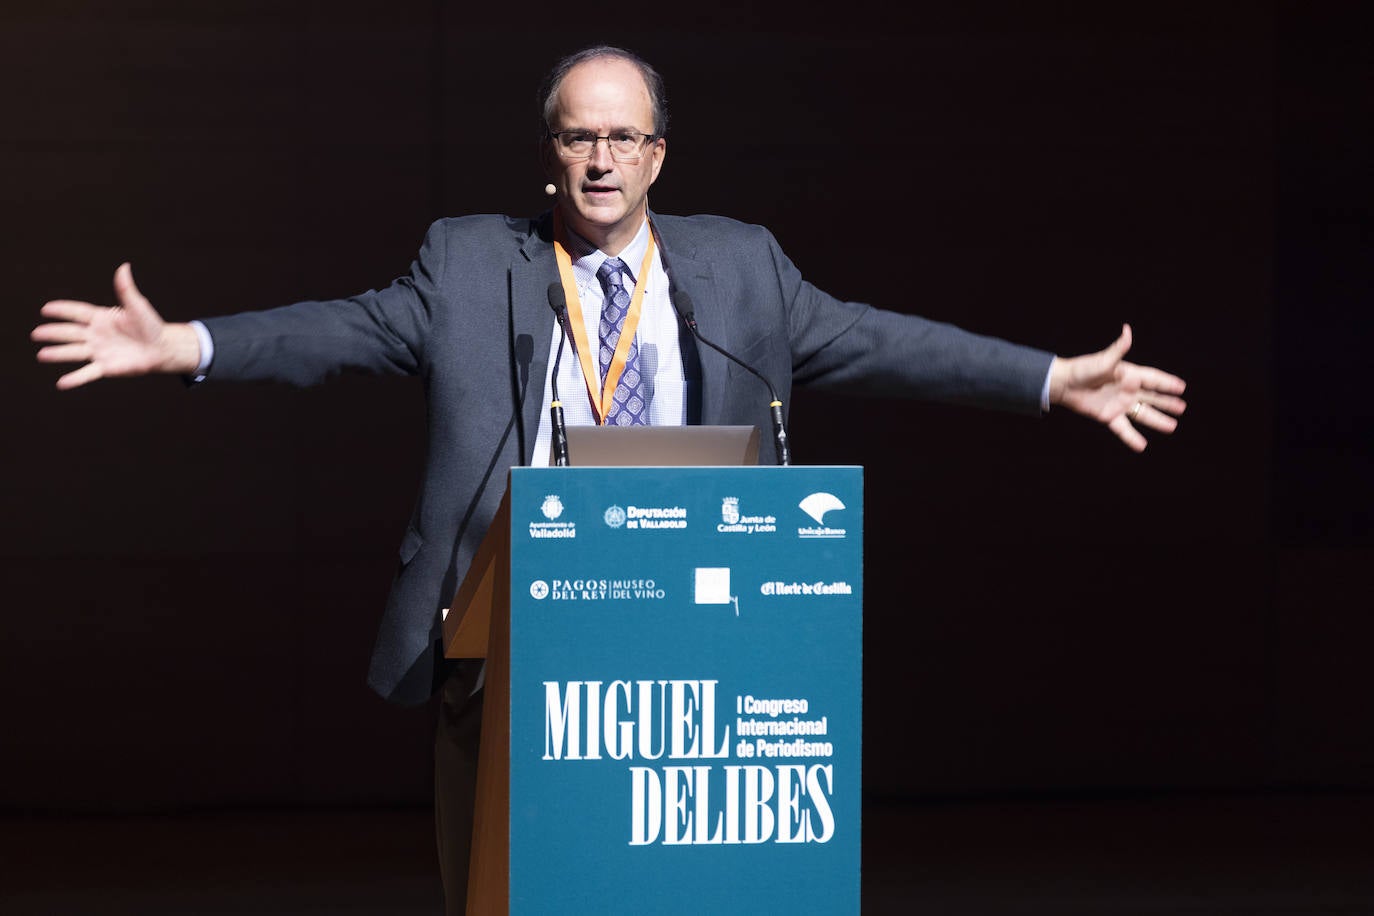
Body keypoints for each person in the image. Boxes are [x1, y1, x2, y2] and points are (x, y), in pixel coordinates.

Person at [32, 44, 1186, 914]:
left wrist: (1049, 379)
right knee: (503, 891)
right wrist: (184, 344)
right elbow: (339, 328)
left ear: (659, 155)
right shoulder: (469, 260)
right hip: (510, 634)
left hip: (696, 639)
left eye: (624, 139)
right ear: (551, 153)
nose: (601, 159)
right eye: (580, 137)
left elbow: (883, 340)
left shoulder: (741, 267)